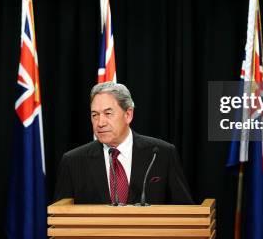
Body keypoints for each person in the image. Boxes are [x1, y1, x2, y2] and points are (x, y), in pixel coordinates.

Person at [54, 82, 194, 205]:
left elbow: (185, 210)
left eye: (108, 113)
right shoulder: (73, 162)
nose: (100, 123)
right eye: (94, 115)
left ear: (128, 115)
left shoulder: (162, 154)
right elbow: (61, 220)